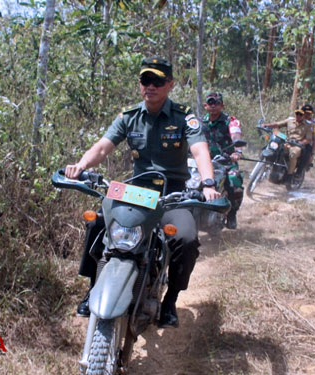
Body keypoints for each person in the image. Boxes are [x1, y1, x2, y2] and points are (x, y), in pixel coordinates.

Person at [65, 56, 221, 328]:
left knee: (185, 239)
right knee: (99, 224)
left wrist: (208, 183)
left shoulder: (184, 117)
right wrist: (81, 166)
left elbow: (199, 150)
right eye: (145, 80)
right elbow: (103, 147)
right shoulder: (129, 116)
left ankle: (170, 300)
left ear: (170, 85)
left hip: (172, 195)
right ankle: (93, 288)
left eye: (157, 81)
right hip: (135, 191)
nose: (150, 86)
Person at [201, 92, 243, 230]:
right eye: (210, 103)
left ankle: (231, 214)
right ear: (205, 105)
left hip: (226, 162)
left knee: (234, 180)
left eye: (217, 103)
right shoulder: (200, 122)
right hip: (204, 162)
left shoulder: (230, 121)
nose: (213, 106)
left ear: (222, 105)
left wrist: (237, 151)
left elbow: (236, 135)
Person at [262, 108, 314, 180]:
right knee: (275, 146)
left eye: (300, 114)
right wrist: (266, 125)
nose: (298, 116)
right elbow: (277, 124)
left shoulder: (308, 125)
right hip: (286, 141)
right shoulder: (290, 121)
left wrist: (300, 143)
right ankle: (271, 166)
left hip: (296, 145)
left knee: (293, 153)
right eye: (297, 114)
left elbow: (308, 139)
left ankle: (289, 175)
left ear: (303, 115)